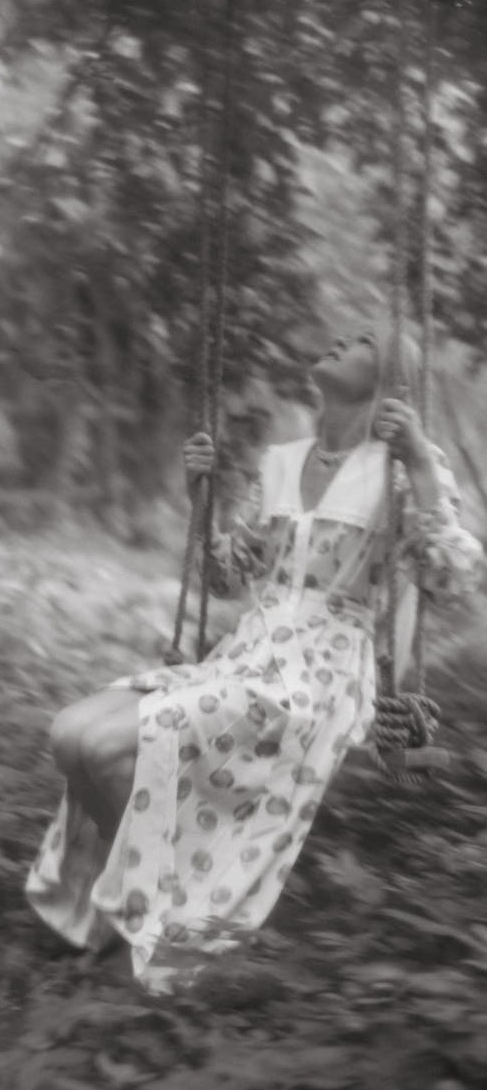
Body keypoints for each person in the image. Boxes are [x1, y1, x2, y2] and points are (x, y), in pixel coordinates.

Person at [25, 324, 483, 993]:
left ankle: (146, 916)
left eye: (357, 340)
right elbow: (228, 576)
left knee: (112, 745)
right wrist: (202, 501)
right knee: (70, 735)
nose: (334, 339)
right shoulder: (281, 461)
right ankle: (150, 897)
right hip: (244, 654)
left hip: (318, 676)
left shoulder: (404, 464)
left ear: (390, 378)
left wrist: (415, 459)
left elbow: (453, 576)